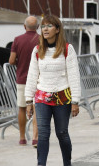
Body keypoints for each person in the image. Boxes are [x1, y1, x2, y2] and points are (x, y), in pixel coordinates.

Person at [24, 15, 81, 166]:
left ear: (57, 29)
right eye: (43, 26)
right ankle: (41, 164)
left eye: (49, 26)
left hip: (63, 97)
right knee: (43, 134)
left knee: (62, 133)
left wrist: (75, 101)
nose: (45, 29)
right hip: (42, 97)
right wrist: (28, 100)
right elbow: (32, 76)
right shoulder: (37, 50)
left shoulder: (67, 49)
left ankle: (67, 163)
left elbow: (74, 76)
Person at [9, 15, 40, 146]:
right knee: (37, 108)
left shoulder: (17, 40)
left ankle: (22, 137)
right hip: (39, 79)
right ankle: (35, 138)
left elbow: (11, 61)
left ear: (24, 26)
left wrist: (19, 63)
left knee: (22, 108)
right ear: (38, 27)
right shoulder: (41, 39)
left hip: (22, 78)